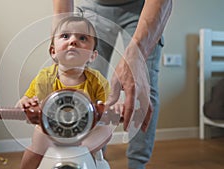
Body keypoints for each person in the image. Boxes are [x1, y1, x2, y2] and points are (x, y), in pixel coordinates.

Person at [52, 0, 173, 169]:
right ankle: (93, 156)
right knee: (83, 83)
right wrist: (60, 40)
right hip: (94, 6)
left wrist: (136, 55)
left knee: (142, 86)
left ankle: (137, 164)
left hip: (142, 7)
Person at [17, 15, 113, 169]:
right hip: (50, 132)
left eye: (82, 38)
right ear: (53, 51)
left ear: (93, 55)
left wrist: (116, 109)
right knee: (37, 145)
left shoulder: (97, 81)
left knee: (106, 130)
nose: (73, 41)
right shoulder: (45, 78)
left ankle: (81, 153)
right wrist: (24, 104)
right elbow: (24, 102)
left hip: (86, 133)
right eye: (65, 36)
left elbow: (109, 106)